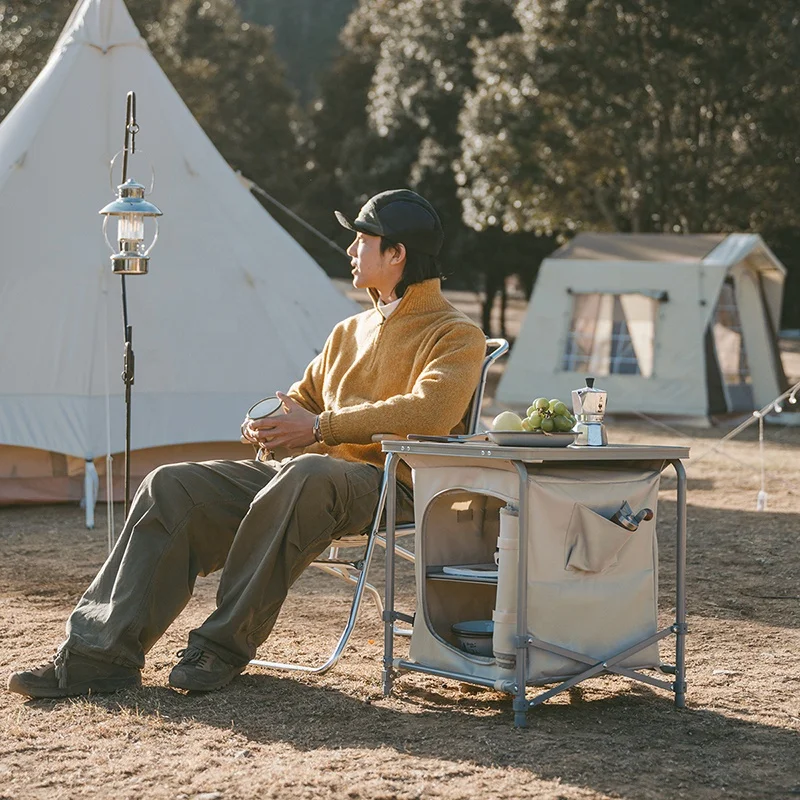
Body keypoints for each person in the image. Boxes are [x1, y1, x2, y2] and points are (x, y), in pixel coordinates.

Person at [7, 189, 487, 698]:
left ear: (397, 253)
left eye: (362, 240)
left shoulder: (456, 333)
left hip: (392, 484)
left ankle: (220, 647)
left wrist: (320, 429)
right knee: (169, 484)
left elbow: (430, 411)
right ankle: (97, 656)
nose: (350, 251)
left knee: (309, 474)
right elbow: (304, 398)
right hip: (305, 480)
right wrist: (272, 423)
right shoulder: (349, 330)